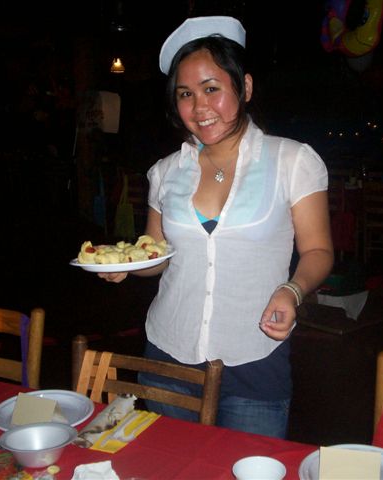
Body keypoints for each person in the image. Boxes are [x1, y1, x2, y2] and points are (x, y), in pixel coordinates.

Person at [99, 15, 334, 439]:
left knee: (246, 465)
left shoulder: (293, 161)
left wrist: (293, 290)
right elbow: (158, 255)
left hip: (254, 358)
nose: (199, 107)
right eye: (185, 94)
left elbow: (318, 251)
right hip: (168, 354)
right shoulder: (165, 171)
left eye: (211, 88)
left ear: (245, 87)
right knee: (171, 465)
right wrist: (127, 265)